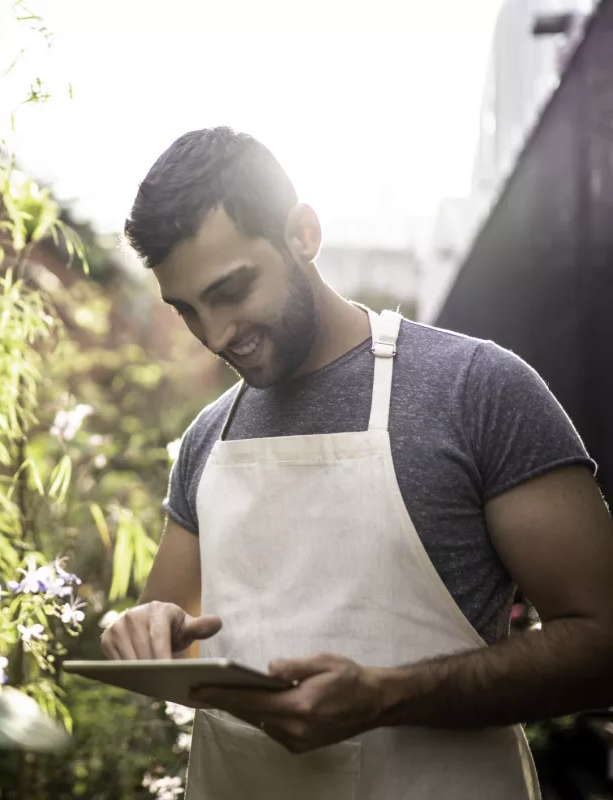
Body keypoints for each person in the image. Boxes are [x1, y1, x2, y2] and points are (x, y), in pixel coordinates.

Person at [100, 127, 613, 799]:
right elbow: (170, 634)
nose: (215, 335)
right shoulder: (208, 437)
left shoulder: (476, 389)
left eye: (232, 290)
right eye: (187, 310)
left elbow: (602, 641)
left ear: (303, 234)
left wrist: (387, 696)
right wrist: (136, 631)